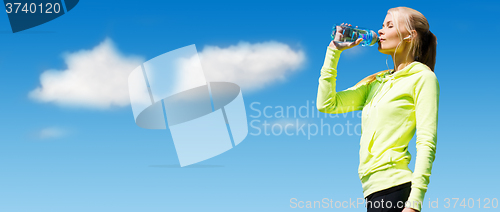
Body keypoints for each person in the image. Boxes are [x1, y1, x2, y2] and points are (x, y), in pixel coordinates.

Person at [316, 7, 439, 212]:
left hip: (396, 189)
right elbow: (327, 104)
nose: (380, 31)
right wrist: (333, 52)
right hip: (372, 191)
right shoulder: (376, 82)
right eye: (382, 25)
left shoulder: (422, 78)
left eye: (389, 25)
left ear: (410, 35)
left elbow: (427, 142)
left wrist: (414, 204)